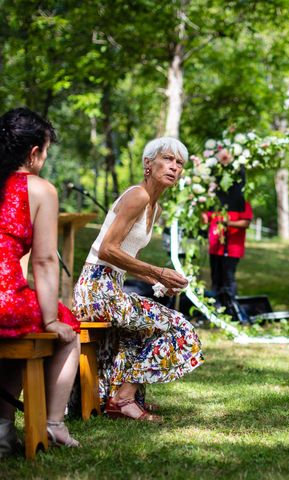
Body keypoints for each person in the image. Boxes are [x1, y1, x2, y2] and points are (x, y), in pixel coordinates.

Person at [73, 137, 203, 421]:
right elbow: (108, 249)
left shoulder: (154, 208)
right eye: (167, 159)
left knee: (141, 328)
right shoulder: (138, 196)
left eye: (179, 163)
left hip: (112, 284)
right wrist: (157, 271)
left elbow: (126, 258)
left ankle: (117, 398)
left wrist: (159, 283)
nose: (174, 167)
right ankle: (124, 398)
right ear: (148, 163)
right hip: (96, 286)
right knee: (179, 327)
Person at [0, 107, 81, 452]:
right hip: (4, 301)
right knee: (67, 330)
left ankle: (3, 432)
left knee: (20, 336)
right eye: (46, 151)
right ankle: (53, 424)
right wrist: (50, 318)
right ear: (34, 153)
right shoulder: (39, 189)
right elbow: (46, 261)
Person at [205, 167, 252, 300]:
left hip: (231, 248)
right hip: (215, 247)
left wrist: (227, 223)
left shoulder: (242, 200)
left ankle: (231, 305)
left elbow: (246, 222)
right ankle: (217, 305)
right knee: (215, 278)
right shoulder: (215, 201)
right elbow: (206, 218)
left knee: (228, 278)